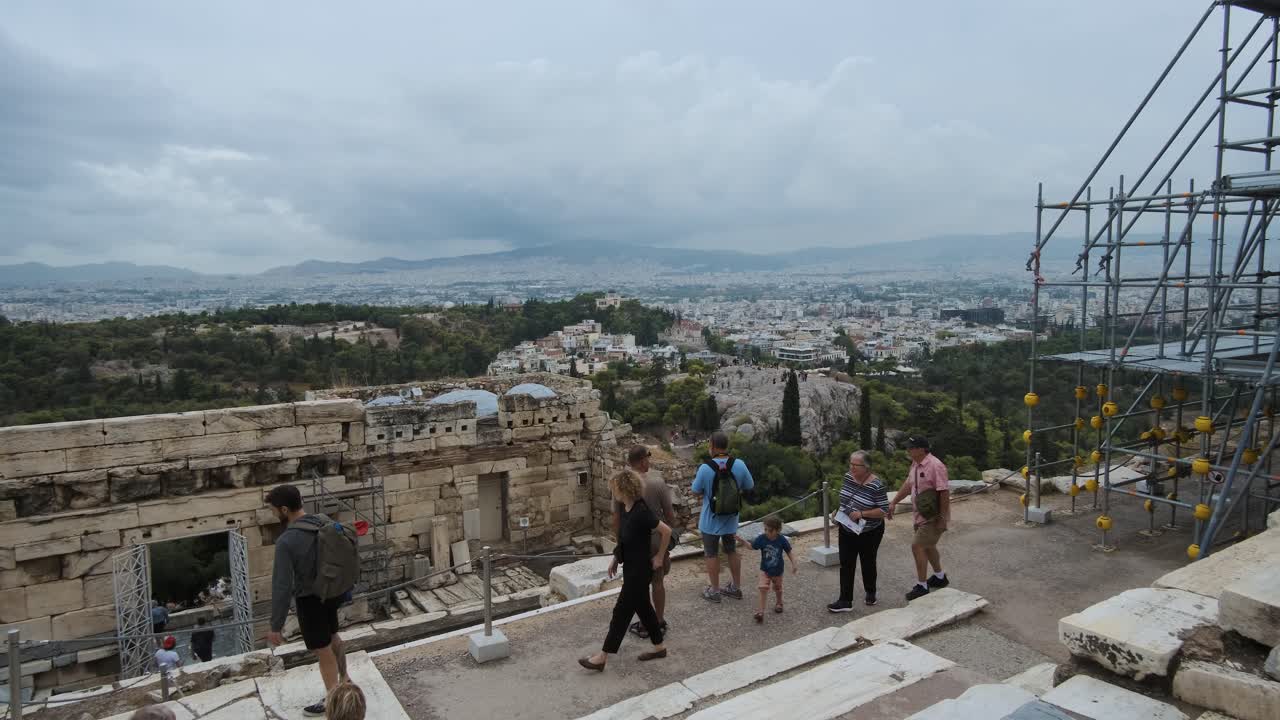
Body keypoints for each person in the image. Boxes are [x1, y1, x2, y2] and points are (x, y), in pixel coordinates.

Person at [265, 484, 348, 717]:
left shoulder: (286, 541)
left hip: (310, 600)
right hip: (331, 592)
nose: (273, 514)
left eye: (273, 510)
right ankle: (345, 681)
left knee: (322, 650)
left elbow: (281, 586)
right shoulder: (322, 520)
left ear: (284, 509)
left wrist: (275, 625)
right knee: (334, 637)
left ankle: (333, 701)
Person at [578, 469, 671, 672]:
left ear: (624, 489)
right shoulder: (626, 509)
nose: (613, 492)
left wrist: (659, 557)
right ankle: (659, 647)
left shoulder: (641, 511)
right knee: (644, 609)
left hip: (639, 572)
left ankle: (602, 657)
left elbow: (666, 532)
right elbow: (625, 540)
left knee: (621, 612)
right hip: (630, 568)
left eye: (614, 489)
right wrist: (614, 559)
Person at [612, 445, 677, 638]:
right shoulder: (657, 483)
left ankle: (645, 623)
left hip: (632, 542)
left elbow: (616, 519)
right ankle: (658, 621)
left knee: (637, 585)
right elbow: (670, 515)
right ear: (642, 461)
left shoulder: (619, 485)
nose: (649, 462)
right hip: (655, 540)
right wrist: (668, 539)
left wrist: (619, 545)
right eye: (648, 459)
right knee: (658, 581)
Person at [692, 431, 754, 602]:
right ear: (727, 446)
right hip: (731, 519)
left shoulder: (705, 467)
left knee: (711, 554)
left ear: (712, 445)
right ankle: (736, 587)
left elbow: (696, 490)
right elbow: (750, 485)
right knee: (731, 551)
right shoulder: (739, 464)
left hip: (710, 521)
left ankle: (715, 591)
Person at [888, 436, 951, 601]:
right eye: (908, 447)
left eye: (911, 447)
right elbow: (909, 485)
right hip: (920, 514)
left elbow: (944, 492)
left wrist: (943, 518)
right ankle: (939, 577)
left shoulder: (936, 465)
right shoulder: (915, 464)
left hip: (933, 516)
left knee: (917, 546)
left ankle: (922, 586)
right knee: (928, 546)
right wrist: (894, 501)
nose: (908, 450)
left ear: (922, 449)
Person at [827, 450, 890, 613]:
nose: (852, 467)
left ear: (866, 467)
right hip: (847, 528)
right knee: (846, 564)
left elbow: (884, 510)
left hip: (870, 531)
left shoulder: (877, 485)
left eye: (856, 465)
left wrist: (862, 514)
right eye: (851, 463)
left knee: (867, 562)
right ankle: (845, 600)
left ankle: (871, 592)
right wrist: (838, 514)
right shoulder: (848, 477)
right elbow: (846, 499)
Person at [747, 516, 796, 623]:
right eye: (765, 529)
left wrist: (794, 564)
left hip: (778, 570)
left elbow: (789, 551)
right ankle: (760, 612)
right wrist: (742, 541)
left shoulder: (782, 539)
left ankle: (779, 603)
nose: (766, 532)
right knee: (762, 588)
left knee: (777, 588)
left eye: (770, 530)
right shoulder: (761, 538)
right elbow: (752, 547)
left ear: (778, 530)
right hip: (764, 569)